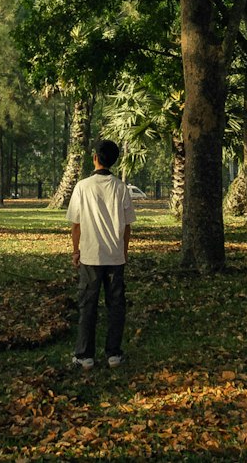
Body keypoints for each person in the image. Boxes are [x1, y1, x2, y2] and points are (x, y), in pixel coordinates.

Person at [67, 138, 136, 370]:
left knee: (88, 304)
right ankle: (113, 353)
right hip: (115, 256)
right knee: (116, 305)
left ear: (95, 157)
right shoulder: (121, 188)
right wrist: (123, 253)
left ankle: (85, 355)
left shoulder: (82, 187)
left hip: (90, 256)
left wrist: (76, 251)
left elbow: (76, 225)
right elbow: (127, 226)